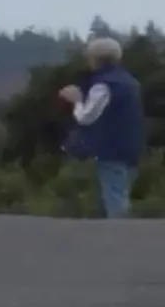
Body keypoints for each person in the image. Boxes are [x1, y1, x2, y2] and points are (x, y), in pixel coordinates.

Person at [61, 36, 146, 219]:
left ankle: (119, 234)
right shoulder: (129, 82)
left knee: (114, 197)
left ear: (94, 58)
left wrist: (77, 101)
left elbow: (86, 117)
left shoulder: (103, 85)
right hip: (130, 146)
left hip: (110, 148)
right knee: (119, 192)